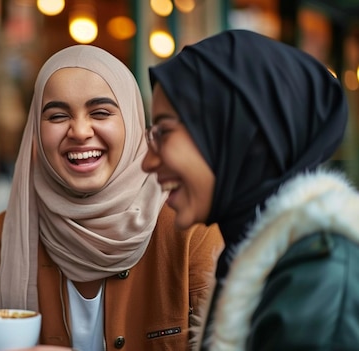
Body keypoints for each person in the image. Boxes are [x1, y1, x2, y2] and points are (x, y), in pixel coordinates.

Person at [0, 45, 224, 351]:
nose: (80, 131)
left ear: (133, 121)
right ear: (35, 130)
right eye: (57, 116)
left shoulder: (191, 226)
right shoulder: (8, 232)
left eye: (100, 112)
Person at [143, 29, 357, 350]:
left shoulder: (321, 275)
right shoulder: (264, 262)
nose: (148, 161)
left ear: (235, 131)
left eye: (164, 131)